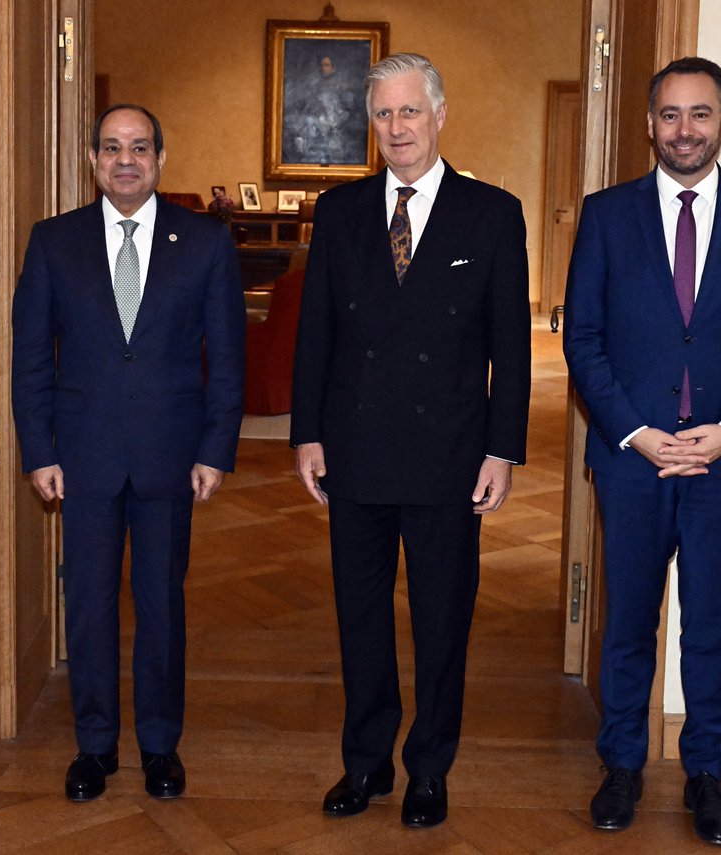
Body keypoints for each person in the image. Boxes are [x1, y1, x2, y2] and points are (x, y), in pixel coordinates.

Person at [563, 57, 721, 846]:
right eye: (670, 115)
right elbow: (586, 338)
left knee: (710, 620)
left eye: (700, 114)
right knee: (630, 619)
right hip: (632, 458)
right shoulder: (607, 215)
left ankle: (707, 773)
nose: (685, 130)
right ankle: (623, 766)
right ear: (648, 125)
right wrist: (637, 431)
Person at [291, 53, 530, 829]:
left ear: (439, 114)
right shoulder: (340, 212)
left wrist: (503, 449)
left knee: (440, 619)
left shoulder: (491, 213)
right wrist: (307, 434)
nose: (397, 128)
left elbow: (512, 349)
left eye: (410, 112)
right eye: (384, 115)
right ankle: (365, 762)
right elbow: (315, 335)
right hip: (355, 450)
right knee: (359, 615)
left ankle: (430, 765)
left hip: (451, 455)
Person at [11, 103, 245, 802]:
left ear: (160, 158)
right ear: (92, 160)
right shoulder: (54, 242)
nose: (125, 159)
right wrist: (38, 449)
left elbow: (227, 361)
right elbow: (30, 361)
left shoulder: (203, 242)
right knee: (86, 604)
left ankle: (159, 745)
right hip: (79, 457)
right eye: (111, 147)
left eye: (139, 147)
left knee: (161, 604)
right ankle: (94, 746)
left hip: (172, 455)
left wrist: (216, 448)